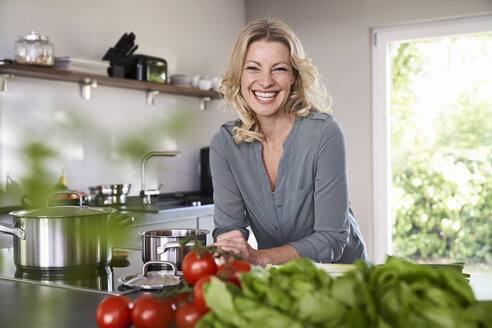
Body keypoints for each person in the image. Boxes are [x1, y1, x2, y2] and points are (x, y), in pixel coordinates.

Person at [210, 18, 367, 267]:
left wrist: (257, 257)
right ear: (239, 74)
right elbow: (229, 227)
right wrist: (232, 246)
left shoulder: (325, 133)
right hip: (277, 277)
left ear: (293, 75)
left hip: (339, 275)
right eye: (253, 68)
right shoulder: (225, 143)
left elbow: (330, 239)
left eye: (279, 69)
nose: (265, 81)